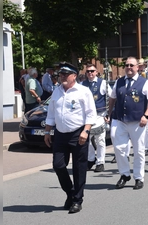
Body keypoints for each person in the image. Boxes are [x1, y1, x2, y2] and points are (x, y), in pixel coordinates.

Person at [44, 62, 97, 214]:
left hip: (78, 133)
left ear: (74, 76)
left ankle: (77, 200)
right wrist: (47, 132)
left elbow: (90, 113)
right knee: (58, 165)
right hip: (60, 134)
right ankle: (71, 193)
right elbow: (51, 114)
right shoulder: (57, 91)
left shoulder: (83, 91)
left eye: (66, 74)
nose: (62, 77)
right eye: (61, 74)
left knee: (79, 168)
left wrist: (86, 131)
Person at [106, 57, 148, 190]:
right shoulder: (119, 81)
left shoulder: (144, 82)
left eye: (131, 65)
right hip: (119, 120)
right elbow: (112, 98)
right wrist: (109, 113)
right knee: (119, 148)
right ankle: (124, 174)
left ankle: (139, 177)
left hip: (137, 121)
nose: (129, 67)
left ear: (137, 67)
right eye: (127, 65)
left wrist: (146, 115)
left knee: (139, 150)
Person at [82, 64, 111, 173]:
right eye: (88, 71)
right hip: (87, 116)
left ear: (96, 72)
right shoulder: (82, 84)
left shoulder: (103, 83)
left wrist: (108, 114)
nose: (90, 73)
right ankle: (90, 160)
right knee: (87, 140)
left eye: (92, 71)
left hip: (100, 115)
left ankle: (100, 162)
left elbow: (111, 98)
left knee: (100, 140)